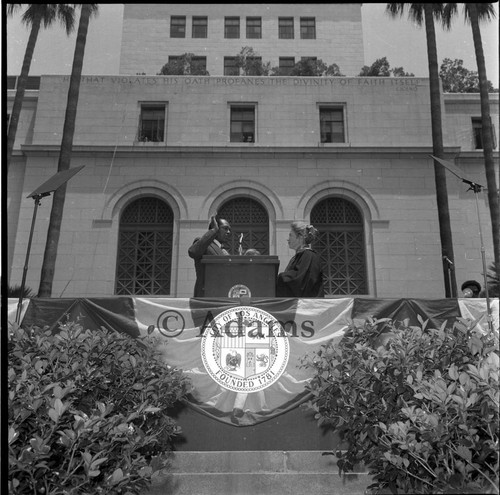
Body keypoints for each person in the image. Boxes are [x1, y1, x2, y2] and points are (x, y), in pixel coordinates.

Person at [276, 221, 324, 297]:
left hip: (308, 305)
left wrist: (280, 277)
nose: (288, 239)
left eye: (290, 235)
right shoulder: (299, 256)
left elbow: (300, 281)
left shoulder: (309, 256)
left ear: (300, 236)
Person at [188, 214, 231, 297]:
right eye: (225, 228)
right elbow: (193, 252)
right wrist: (213, 231)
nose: (228, 232)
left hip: (223, 296)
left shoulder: (224, 251)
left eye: (229, 229)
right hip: (206, 295)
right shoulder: (205, 244)